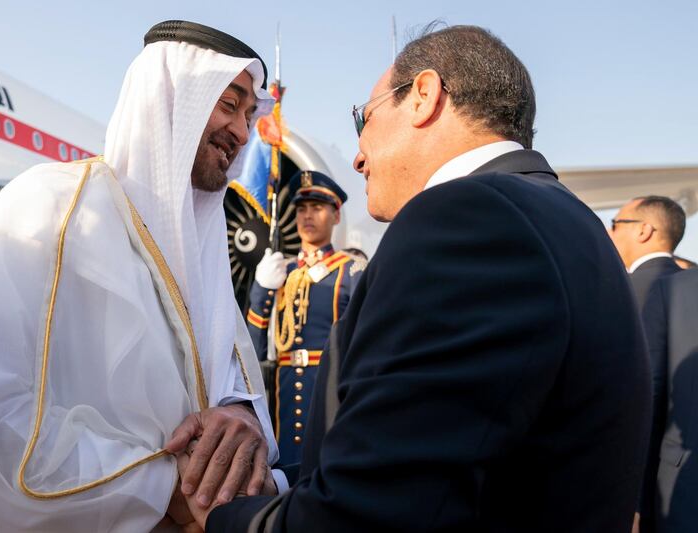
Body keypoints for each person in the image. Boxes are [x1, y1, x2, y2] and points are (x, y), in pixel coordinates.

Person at [178, 23, 652, 532]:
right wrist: (277, 484)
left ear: (424, 96)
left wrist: (217, 515)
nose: (358, 155)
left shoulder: (468, 216)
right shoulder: (571, 222)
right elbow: (441, 462)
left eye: (364, 117)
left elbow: (371, 514)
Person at [0, 20, 279, 532]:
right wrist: (165, 488)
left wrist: (241, 419)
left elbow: (232, 384)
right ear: (170, 100)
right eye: (229, 105)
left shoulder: (202, 256)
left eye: (249, 115)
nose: (242, 132)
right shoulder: (53, 209)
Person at [246, 170, 365, 464]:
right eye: (301, 209)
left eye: (317, 208)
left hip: (329, 390)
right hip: (283, 393)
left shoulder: (351, 271)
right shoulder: (280, 272)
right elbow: (253, 347)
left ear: (336, 215)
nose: (307, 216)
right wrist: (261, 290)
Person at [639, 268, 698, 533]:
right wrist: (637, 502)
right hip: (684, 499)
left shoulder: (674, 291)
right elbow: (648, 403)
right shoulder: (672, 292)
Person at [609, 195, 685, 309]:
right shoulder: (691, 284)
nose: (609, 232)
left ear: (644, 231)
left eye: (615, 225)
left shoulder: (618, 290)